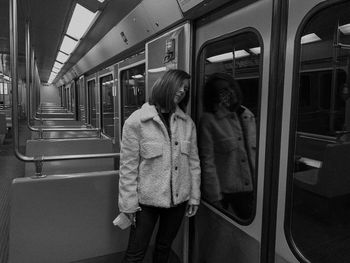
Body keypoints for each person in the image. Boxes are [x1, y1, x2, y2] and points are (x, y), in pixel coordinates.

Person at [118, 69, 201, 263]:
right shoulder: (136, 121)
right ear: (165, 85)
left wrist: (194, 196)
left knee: (164, 248)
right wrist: (128, 204)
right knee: (135, 253)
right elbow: (128, 168)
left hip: (178, 200)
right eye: (179, 85)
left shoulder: (187, 123)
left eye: (185, 88)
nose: (182, 91)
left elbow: (193, 163)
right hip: (146, 202)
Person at [199, 73, 256, 220]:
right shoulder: (209, 121)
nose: (230, 92)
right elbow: (208, 162)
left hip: (253, 186)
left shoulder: (247, 115)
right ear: (215, 97)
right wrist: (214, 197)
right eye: (223, 91)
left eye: (231, 87)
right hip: (228, 192)